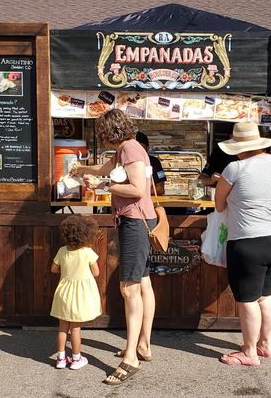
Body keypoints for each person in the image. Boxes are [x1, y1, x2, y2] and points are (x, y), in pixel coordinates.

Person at [72, 109, 155, 385]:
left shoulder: (130, 150)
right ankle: (142, 345)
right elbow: (105, 170)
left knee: (129, 289)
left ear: (108, 132)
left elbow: (137, 189)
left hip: (134, 222)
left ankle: (131, 358)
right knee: (142, 284)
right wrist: (81, 169)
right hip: (136, 221)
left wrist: (104, 185)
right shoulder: (125, 149)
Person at [213, 121, 271, 367]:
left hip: (249, 240)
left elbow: (219, 204)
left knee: (247, 299)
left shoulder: (234, 168)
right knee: (266, 294)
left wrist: (223, 183)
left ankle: (249, 352)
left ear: (237, 146)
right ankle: (265, 344)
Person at [50, 215, 102, 370]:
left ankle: (60, 358)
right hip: (79, 295)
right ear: (86, 234)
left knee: (62, 327)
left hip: (64, 292)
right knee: (75, 328)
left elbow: (53, 269)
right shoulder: (87, 252)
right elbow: (97, 273)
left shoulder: (62, 251)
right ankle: (76, 359)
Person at [136, 131, 167, 195]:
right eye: (135, 150)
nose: (138, 152)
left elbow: (160, 189)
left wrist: (135, 192)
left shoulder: (154, 162)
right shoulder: (124, 161)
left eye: (141, 149)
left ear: (148, 148)